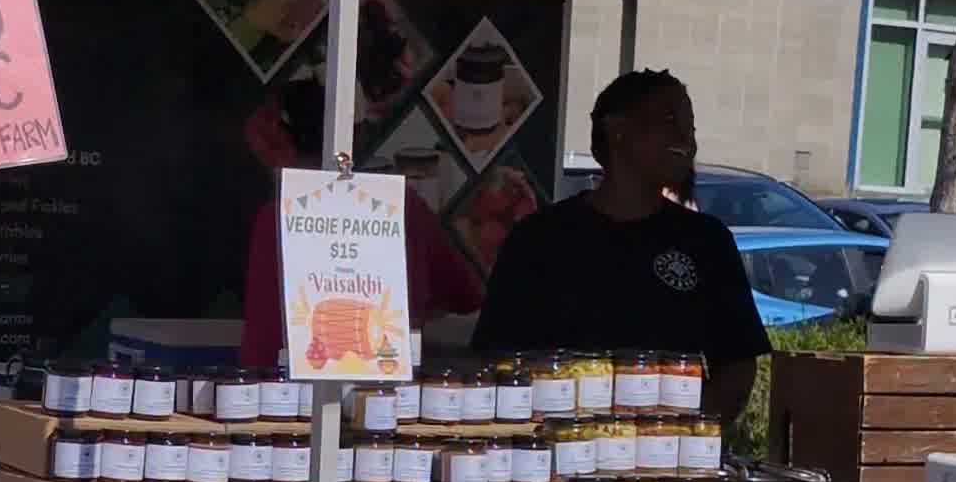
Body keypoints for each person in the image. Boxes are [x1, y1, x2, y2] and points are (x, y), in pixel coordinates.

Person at [472, 67, 767, 431]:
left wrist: (685, 434)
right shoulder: (539, 238)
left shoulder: (706, 240)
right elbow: (498, 360)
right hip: (558, 461)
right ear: (618, 132)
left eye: (690, 128)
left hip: (669, 465)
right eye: (671, 121)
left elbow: (737, 364)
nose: (687, 141)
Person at [240, 74, 482, 369]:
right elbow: (465, 296)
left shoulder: (277, 217)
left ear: (272, 133)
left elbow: (262, 343)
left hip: (289, 394)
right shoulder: (402, 206)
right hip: (384, 384)